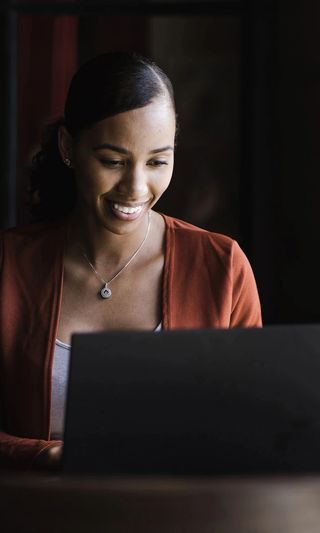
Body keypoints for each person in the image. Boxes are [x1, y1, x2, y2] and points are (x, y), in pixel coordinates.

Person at [0, 51, 262, 471]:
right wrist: (45, 454)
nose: (136, 187)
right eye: (113, 161)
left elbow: (254, 427)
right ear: (69, 147)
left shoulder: (222, 266)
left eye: (158, 161)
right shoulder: (9, 266)